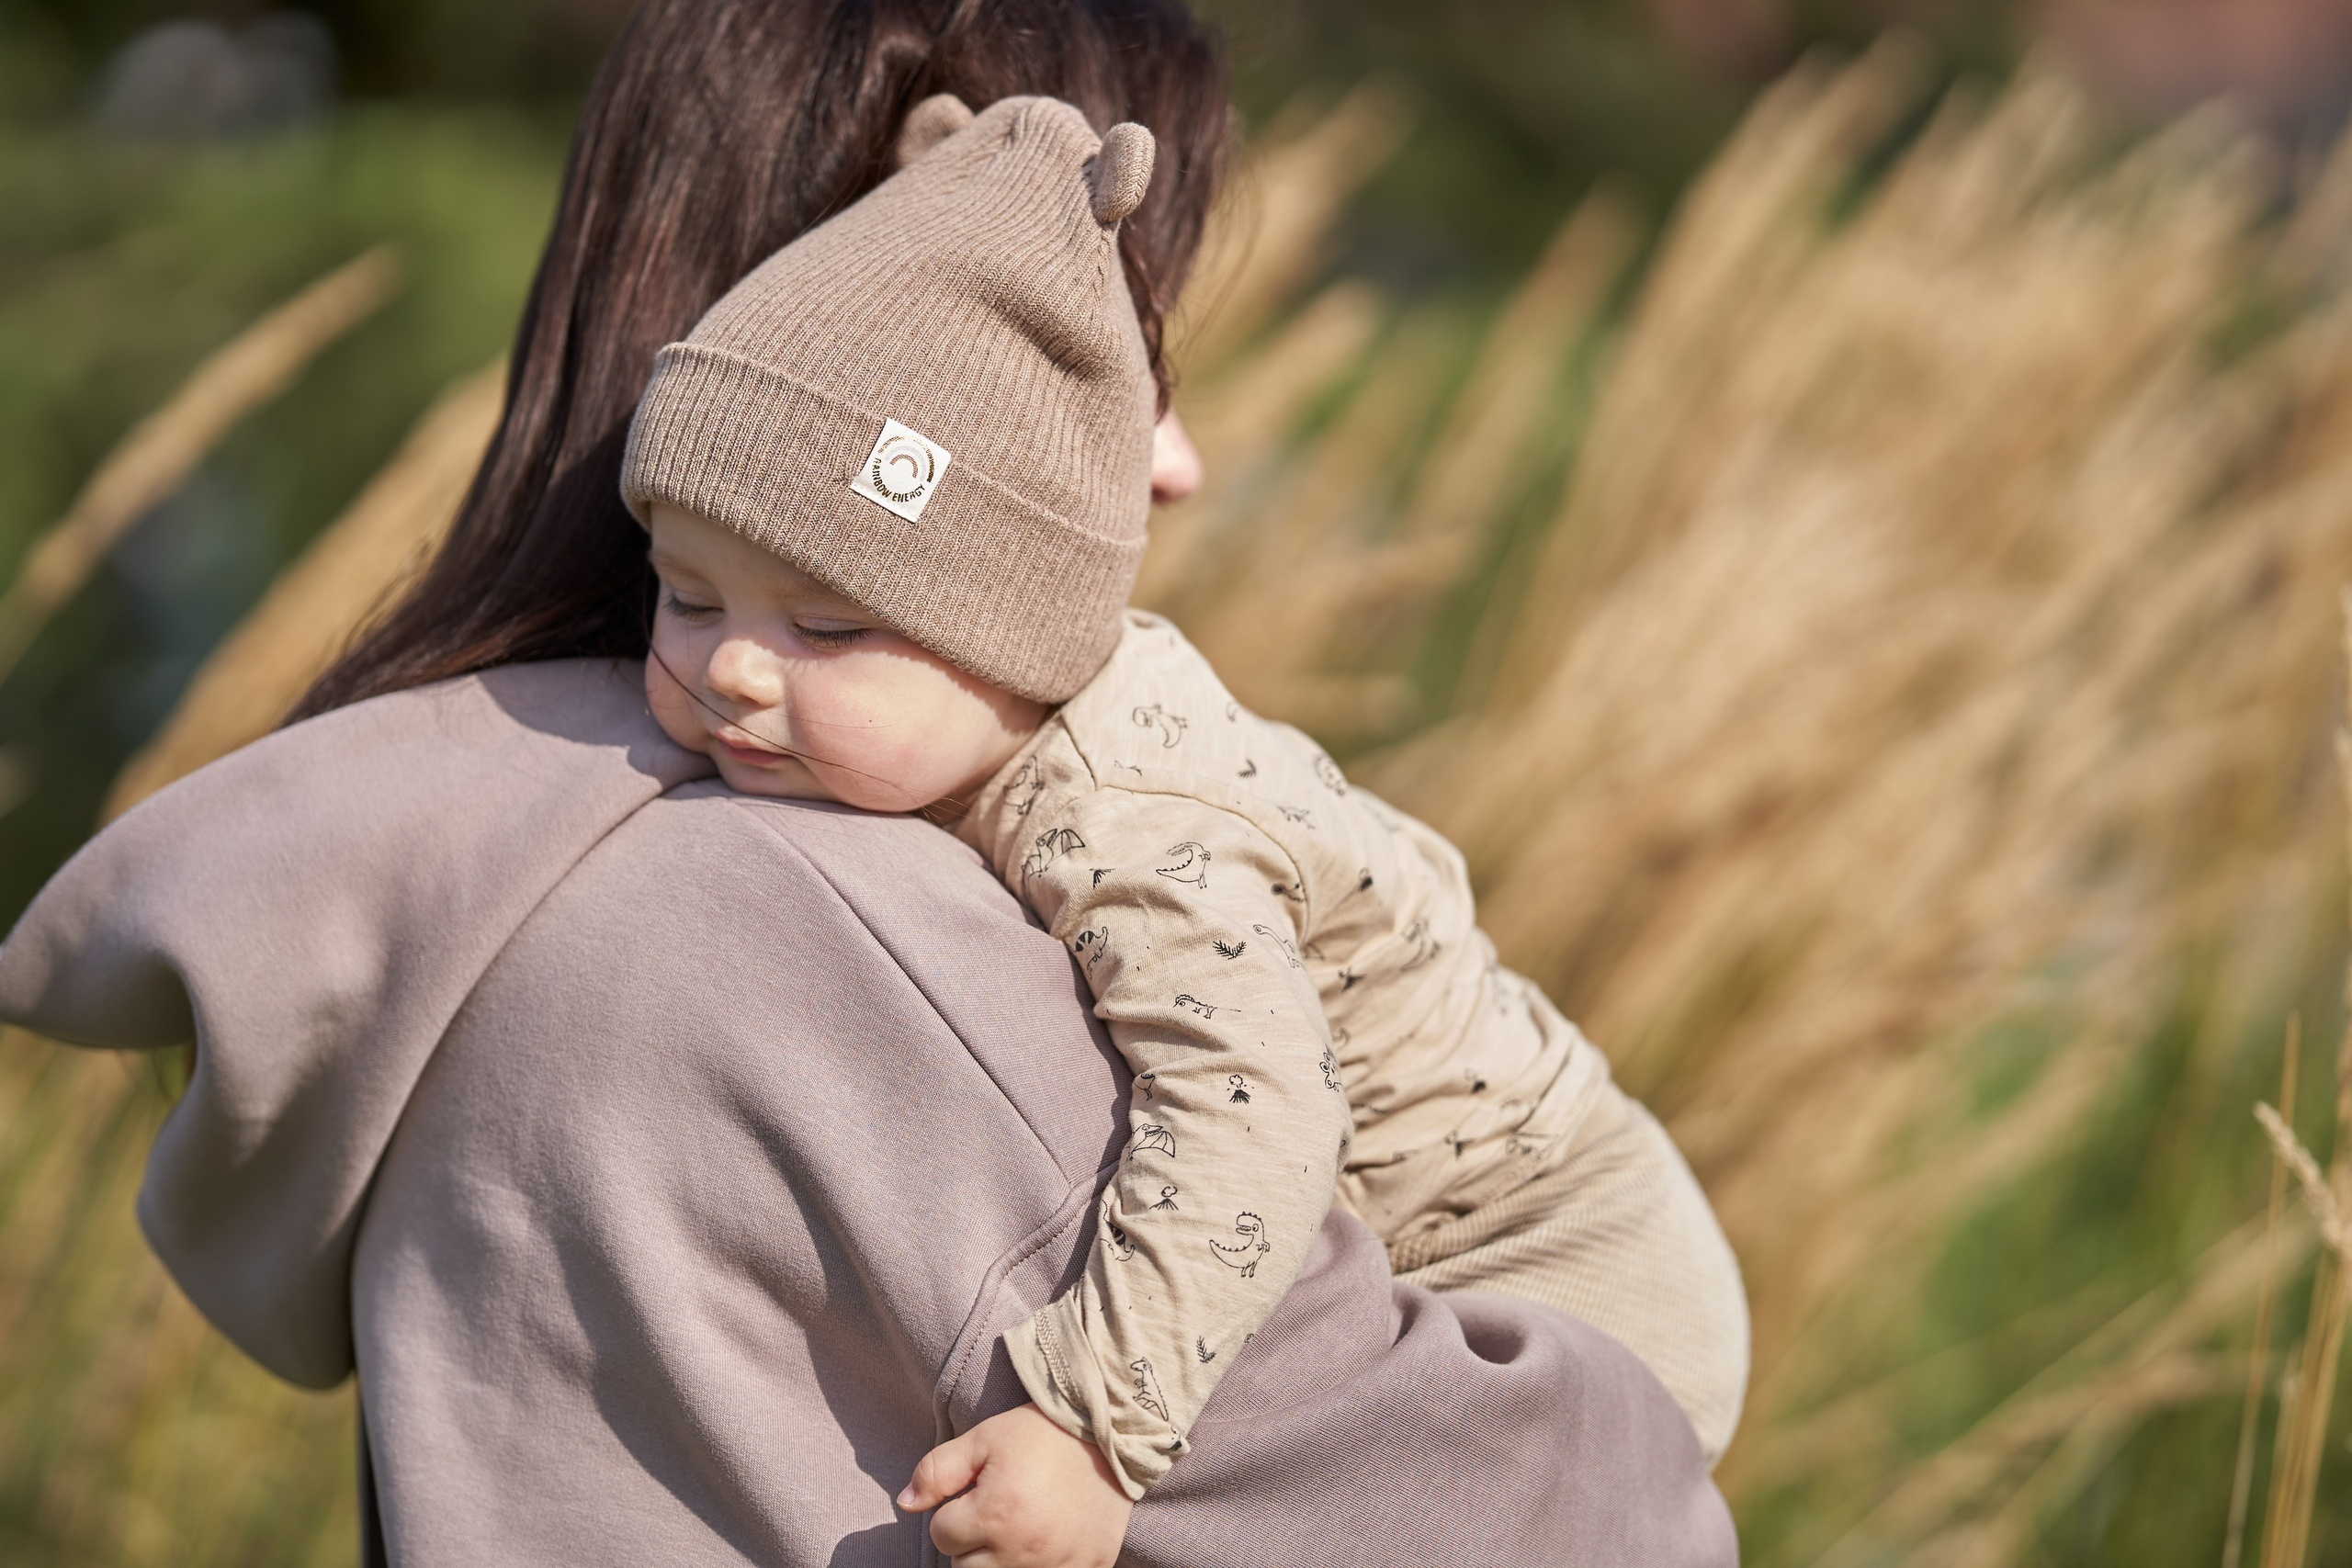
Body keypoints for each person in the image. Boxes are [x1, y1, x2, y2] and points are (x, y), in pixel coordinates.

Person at [0, 3, 1742, 1563]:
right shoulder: (842, 931)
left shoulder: (474, 852)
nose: (1179, 463)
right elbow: (1602, 1525)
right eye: (1117, 358)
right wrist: (1098, 1430)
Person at [617, 83, 1750, 1566]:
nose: (733, 667)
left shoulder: (1123, 823)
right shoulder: (941, 740)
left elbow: (1253, 1115)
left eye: (828, 623)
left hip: (1551, 1275)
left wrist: (1094, 1426)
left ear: (1013, 634)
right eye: (687, 596)